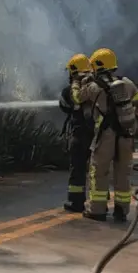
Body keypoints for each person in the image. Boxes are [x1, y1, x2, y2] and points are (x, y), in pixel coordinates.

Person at [73, 48, 138, 222]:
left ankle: (97, 210)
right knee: (123, 173)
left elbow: (76, 99)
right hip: (126, 135)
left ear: (97, 66)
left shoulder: (93, 87)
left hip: (105, 135)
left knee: (99, 172)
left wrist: (77, 82)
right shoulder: (126, 83)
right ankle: (121, 211)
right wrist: (131, 116)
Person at [59, 53, 94, 213]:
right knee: (97, 170)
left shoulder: (70, 90)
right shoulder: (97, 87)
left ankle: (76, 202)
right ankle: (99, 205)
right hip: (97, 135)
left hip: (80, 135)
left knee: (78, 169)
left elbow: (65, 106)